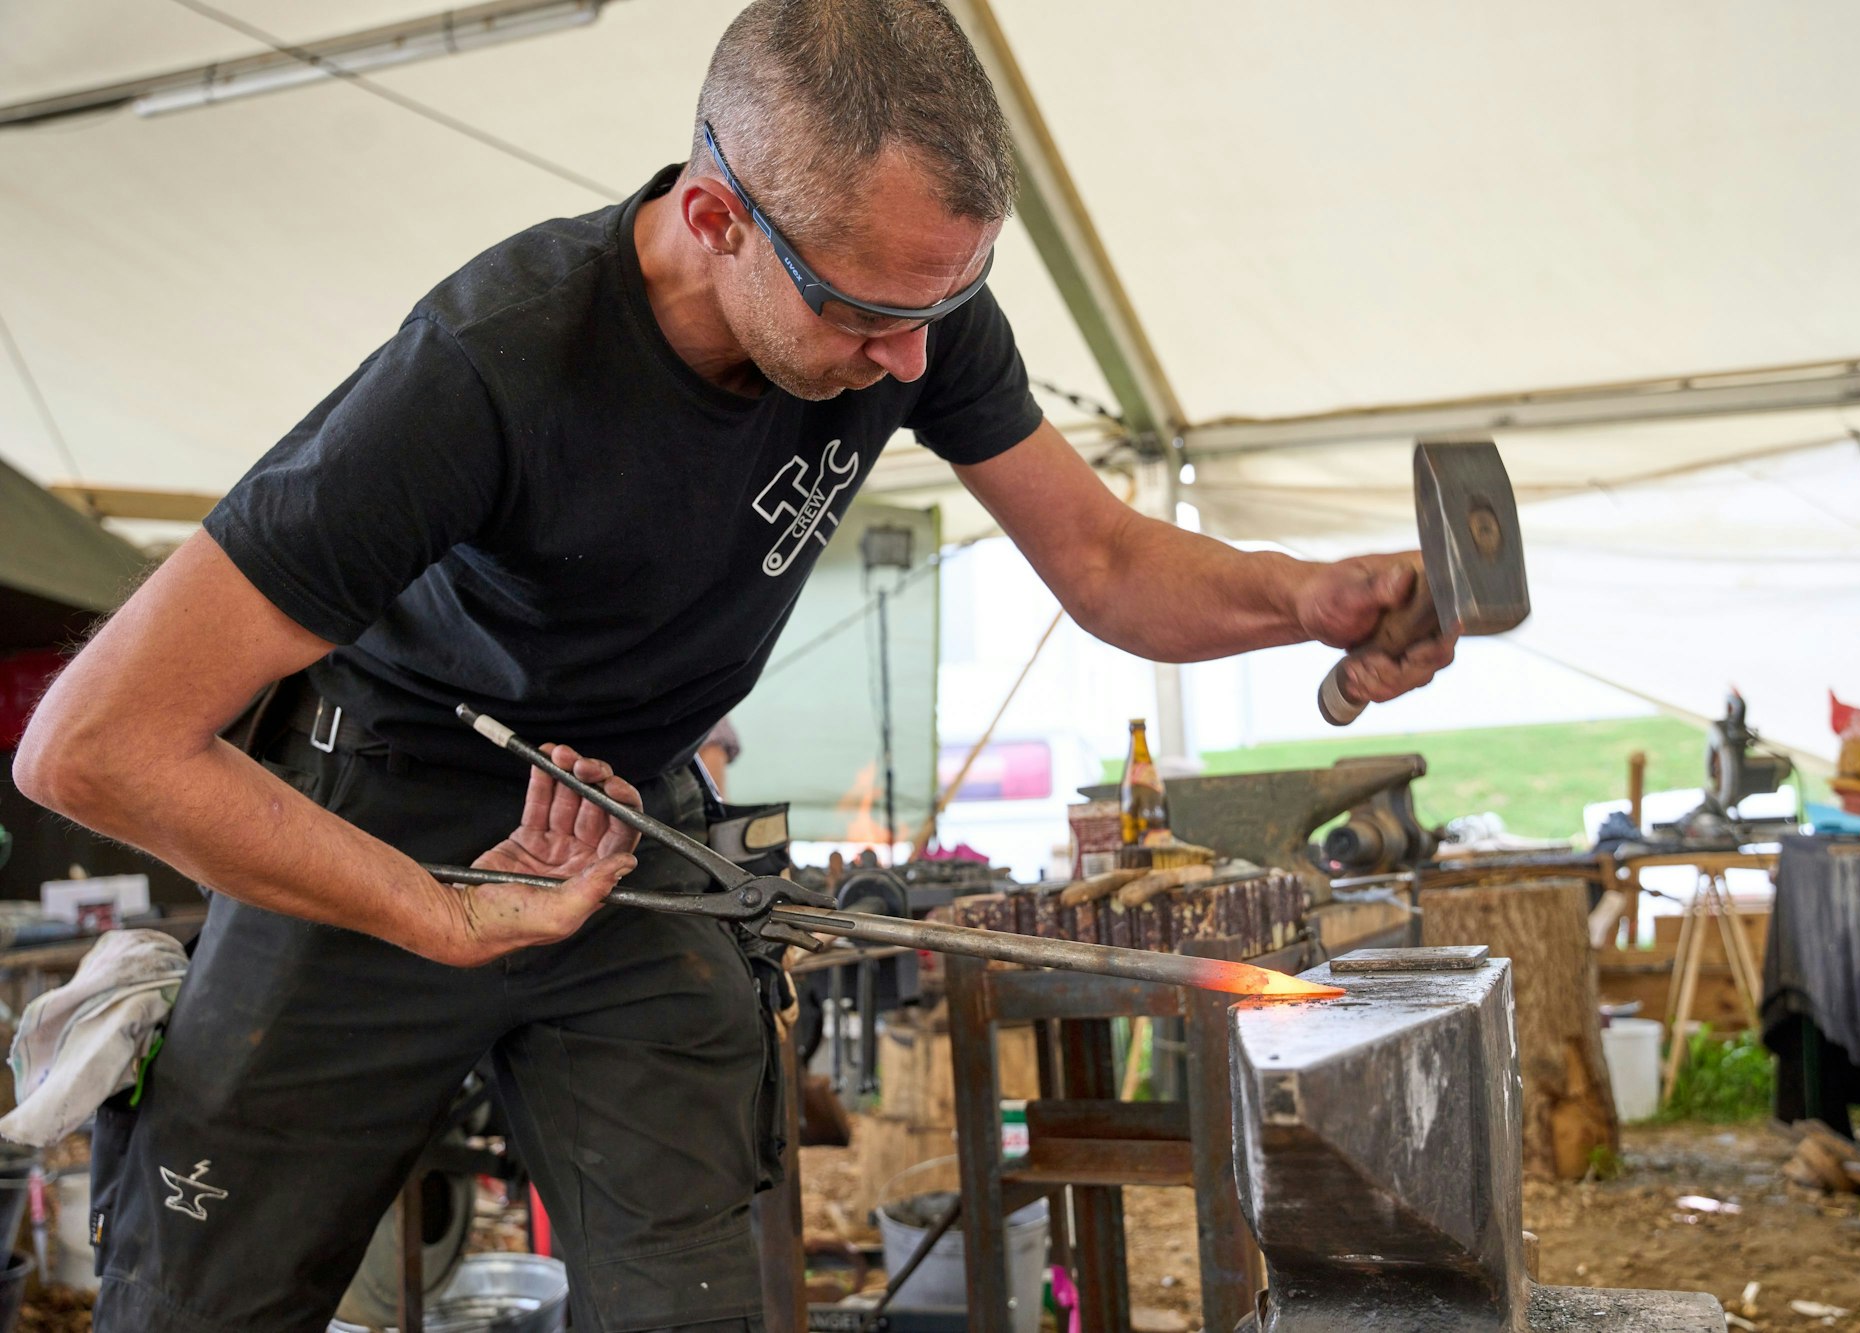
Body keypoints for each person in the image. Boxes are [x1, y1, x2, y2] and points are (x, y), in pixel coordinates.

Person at [11, 2, 1454, 1329]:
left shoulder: (911, 301)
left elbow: (1109, 561)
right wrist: (439, 913)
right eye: (866, 316)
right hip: (374, 819)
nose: (910, 364)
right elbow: (91, 743)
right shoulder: (484, 371)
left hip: (624, 824)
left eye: (940, 309)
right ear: (716, 216)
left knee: (692, 1304)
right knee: (203, 1300)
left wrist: (1306, 597)